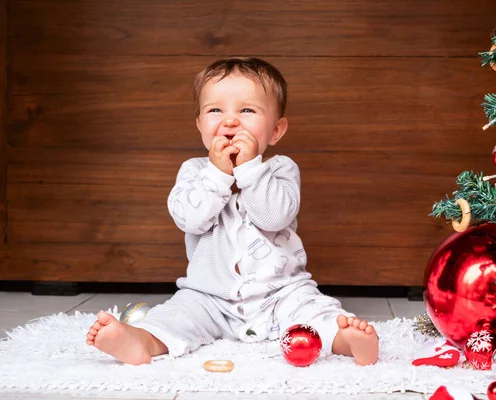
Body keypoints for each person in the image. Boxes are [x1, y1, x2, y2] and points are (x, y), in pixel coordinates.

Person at [85, 57, 379, 366]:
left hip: (281, 292)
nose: (230, 121)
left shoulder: (281, 170)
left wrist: (250, 168)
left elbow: (273, 217)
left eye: (247, 110)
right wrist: (216, 174)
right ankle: (140, 341)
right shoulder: (194, 171)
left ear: (276, 130)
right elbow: (189, 219)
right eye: (215, 110)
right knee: (175, 315)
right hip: (208, 297)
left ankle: (347, 340)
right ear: (200, 124)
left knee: (313, 309)